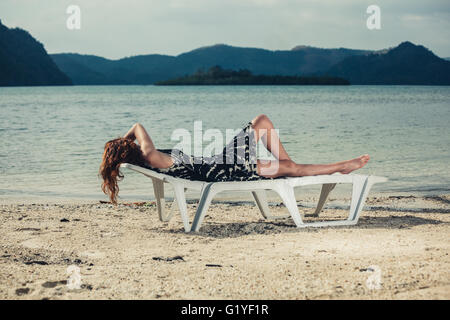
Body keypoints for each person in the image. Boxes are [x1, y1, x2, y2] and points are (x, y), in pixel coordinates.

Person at [99, 114, 369, 203]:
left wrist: (120, 150)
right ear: (128, 147)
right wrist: (123, 141)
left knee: (282, 156)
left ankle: (294, 169)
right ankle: (340, 166)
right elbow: (137, 126)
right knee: (265, 127)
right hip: (225, 169)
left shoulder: (147, 158)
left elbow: (134, 130)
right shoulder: (149, 155)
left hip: (219, 163)